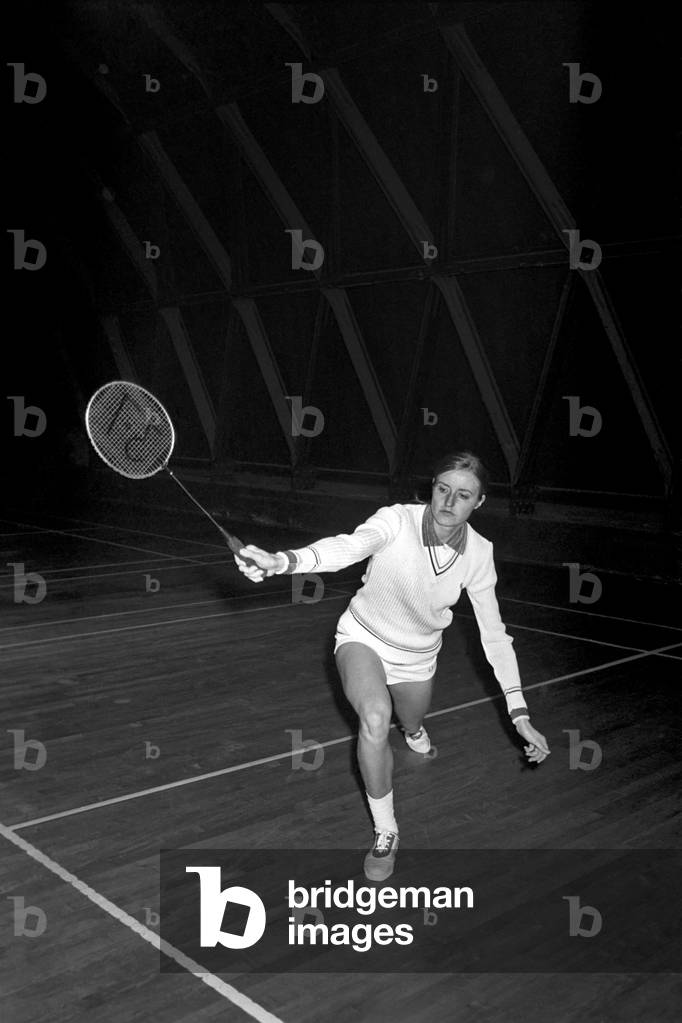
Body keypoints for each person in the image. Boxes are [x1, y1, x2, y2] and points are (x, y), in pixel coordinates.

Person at [234, 452, 550, 880]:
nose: (448, 501)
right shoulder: (397, 521)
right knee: (375, 719)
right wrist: (284, 561)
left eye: (463, 495)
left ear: (478, 503)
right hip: (363, 636)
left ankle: (414, 728)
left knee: (409, 717)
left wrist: (519, 712)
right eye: (442, 489)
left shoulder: (479, 554)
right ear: (431, 487)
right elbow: (349, 546)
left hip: (418, 659)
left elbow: (495, 635)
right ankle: (387, 830)